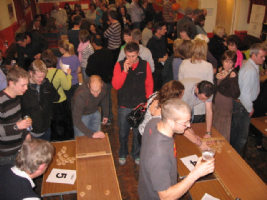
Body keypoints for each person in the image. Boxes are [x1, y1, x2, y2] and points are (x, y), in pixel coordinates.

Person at [138, 98, 215, 200]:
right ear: (170, 122)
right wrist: (196, 173)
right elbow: (165, 197)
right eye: (185, 123)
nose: (188, 125)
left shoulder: (154, 122)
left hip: (146, 188)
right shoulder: (159, 154)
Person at [112, 42, 153, 166]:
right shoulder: (119, 65)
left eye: (133, 56)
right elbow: (116, 85)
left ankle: (136, 154)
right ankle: (123, 153)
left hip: (139, 105)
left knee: (137, 133)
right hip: (124, 105)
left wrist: (147, 102)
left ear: (138, 54)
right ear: (125, 54)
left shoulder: (145, 65)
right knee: (123, 132)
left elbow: (149, 84)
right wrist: (124, 71)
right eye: (128, 56)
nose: (131, 59)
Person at [230, 43, 266, 155]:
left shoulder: (252, 65)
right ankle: (236, 159)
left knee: (237, 134)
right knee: (240, 137)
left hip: (242, 105)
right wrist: (250, 108)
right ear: (253, 55)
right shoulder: (250, 70)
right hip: (242, 106)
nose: (264, 59)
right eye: (262, 56)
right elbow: (245, 93)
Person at [20, 60, 60, 141]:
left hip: (45, 128)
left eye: (43, 76)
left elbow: (56, 97)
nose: (41, 79)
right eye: (39, 77)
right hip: (30, 132)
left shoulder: (46, 84)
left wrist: (48, 90)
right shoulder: (23, 89)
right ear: (30, 73)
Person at [0, 67, 32, 165]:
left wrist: (26, 132)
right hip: (7, 155)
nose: (26, 88)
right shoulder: (1, 101)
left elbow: (16, 120)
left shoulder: (17, 98)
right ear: (11, 83)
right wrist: (17, 126)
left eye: (27, 84)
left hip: (19, 149)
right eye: (23, 85)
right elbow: (14, 125)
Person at [42, 49, 74, 141]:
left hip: (48, 103)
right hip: (60, 102)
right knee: (63, 125)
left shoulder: (42, 74)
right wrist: (69, 75)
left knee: (53, 125)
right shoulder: (59, 72)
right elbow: (67, 87)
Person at [86, 34, 114, 125]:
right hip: (109, 80)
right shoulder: (109, 53)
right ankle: (108, 116)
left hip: (98, 83)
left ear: (94, 44)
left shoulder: (93, 57)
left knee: (98, 101)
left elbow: (88, 72)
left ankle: (99, 118)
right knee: (108, 99)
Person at [213, 50, 240, 142]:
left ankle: (224, 152)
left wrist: (232, 80)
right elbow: (214, 89)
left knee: (224, 132)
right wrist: (215, 78)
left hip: (225, 106)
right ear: (222, 61)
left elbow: (236, 94)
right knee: (215, 128)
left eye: (231, 62)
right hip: (215, 105)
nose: (228, 64)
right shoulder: (220, 71)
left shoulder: (233, 74)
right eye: (226, 61)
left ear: (234, 63)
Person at [57, 40, 81, 109]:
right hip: (75, 82)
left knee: (68, 101)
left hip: (66, 83)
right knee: (76, 100)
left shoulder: (60, 60)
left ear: (62, 48)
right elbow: (79, 70)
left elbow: (59, 73)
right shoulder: (75, 57)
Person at [147, 22, 168, 91]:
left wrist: (166, 55)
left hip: (163, 67)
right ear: (158, 31)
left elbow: (165, 50)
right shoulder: (151, 42)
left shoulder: (163, 38)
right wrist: (161, 59)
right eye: (164, 29)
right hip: (156, 69)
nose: (166, 31)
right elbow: (150, 58)